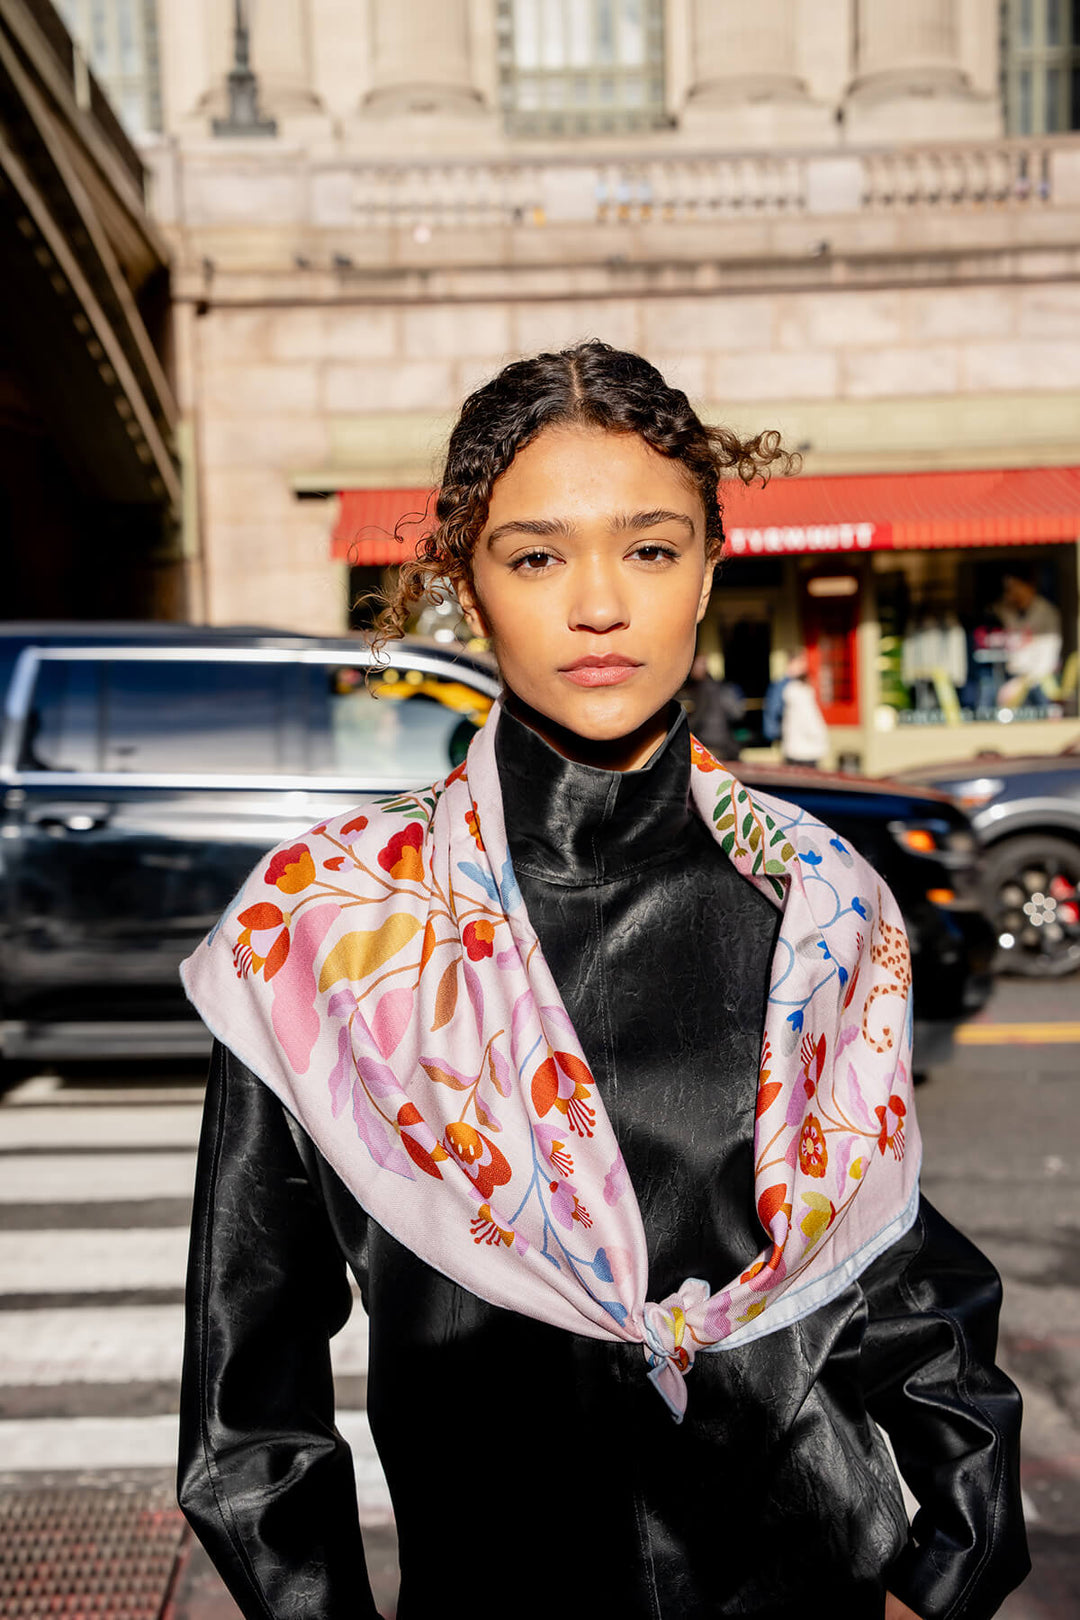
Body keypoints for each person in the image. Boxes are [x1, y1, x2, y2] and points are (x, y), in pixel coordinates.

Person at [177, 341, 1028, 1620]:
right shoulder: (332, 933)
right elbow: (251, 1403)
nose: (598, 604)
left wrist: (947, 1566)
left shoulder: (818, 902)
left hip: (811, 1586)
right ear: (467, 585)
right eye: (535, 555)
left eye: (648, 547)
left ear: (706, 573)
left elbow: (897, 1273)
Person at [995, 566, 1063, 707]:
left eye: (1014, 587)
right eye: (1008, 589)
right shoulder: (1008, 610)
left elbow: (1048, 658)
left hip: (1041, 680)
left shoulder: (1046, 613)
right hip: (1015, 675)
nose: (1011, 593)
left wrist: (1023, 682)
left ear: (1028, 586)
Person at [679, 652, 745, 759]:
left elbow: (699, 715)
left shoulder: (704, 688)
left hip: (708, 739)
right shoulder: (716, 685)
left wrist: (682, 731)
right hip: (722, 738)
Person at [780, 648, 829, 768]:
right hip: (804, 750)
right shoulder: (795, 690)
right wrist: (819, 736)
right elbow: (809, 719)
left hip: (797, 747)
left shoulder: (796, 688)